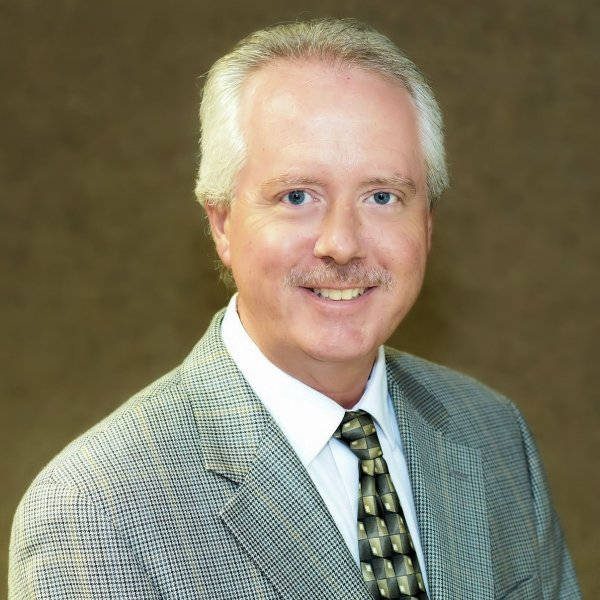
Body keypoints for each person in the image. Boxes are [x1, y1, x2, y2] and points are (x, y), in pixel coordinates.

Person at [9, 18, 580, 600]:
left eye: (383, 196)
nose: (342, 243)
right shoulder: (92, 513)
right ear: (222, 223)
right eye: (297, 196)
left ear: (427, 225)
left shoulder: (493, 433)